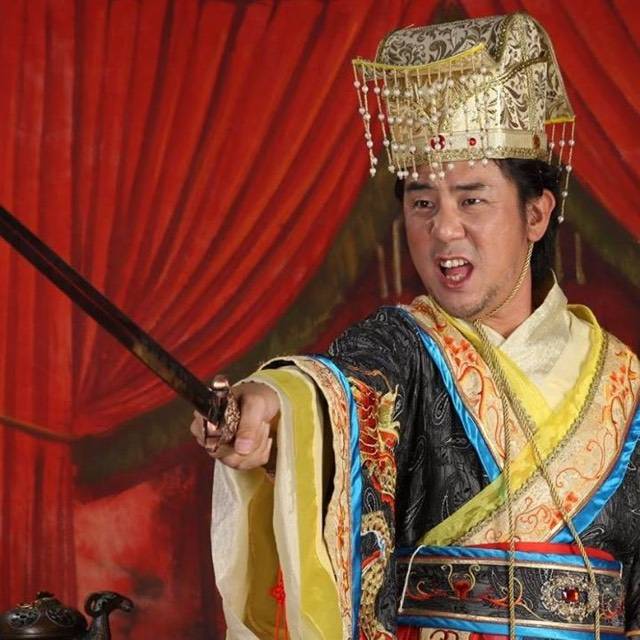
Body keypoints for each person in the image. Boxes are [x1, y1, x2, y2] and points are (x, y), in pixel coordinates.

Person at [192, 13, 640, 640]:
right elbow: (337, 389)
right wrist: (267, 407)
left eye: (472, 198)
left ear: (537, 214)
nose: (444, 228)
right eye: (422, 202)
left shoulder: (624, 380)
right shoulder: (402, 346)